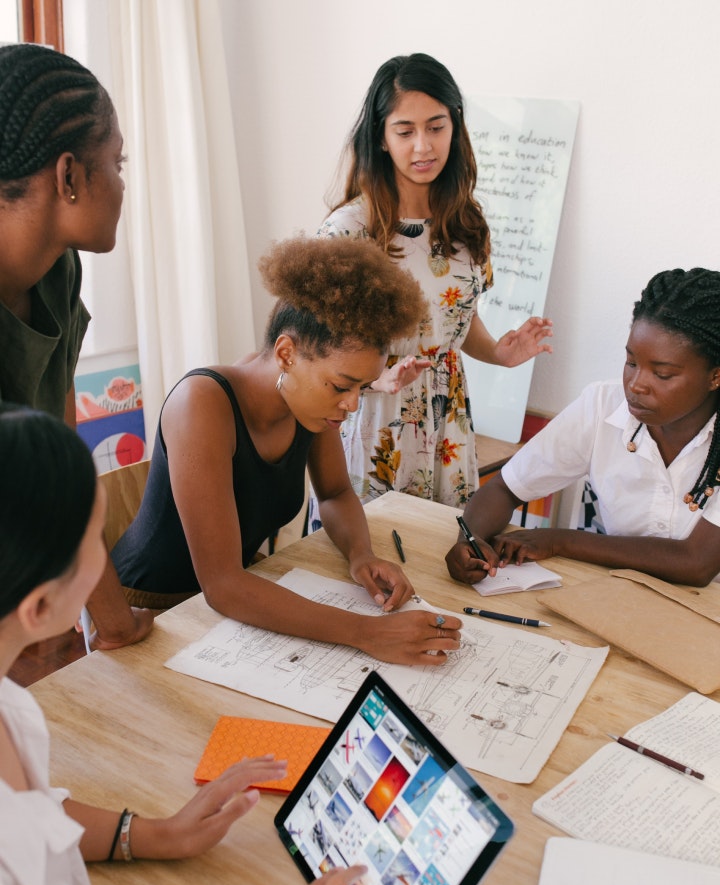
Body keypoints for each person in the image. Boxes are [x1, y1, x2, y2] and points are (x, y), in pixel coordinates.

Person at [0, 404, 368, 885]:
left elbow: (30, 819)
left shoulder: (12, 703)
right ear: (41, 606)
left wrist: (153, 834)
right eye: (94, 539)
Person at [110, 236, 462, 665]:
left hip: (238, 590)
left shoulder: (310, 404)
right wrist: (366, 632)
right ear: (286, 353)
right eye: (341, 385)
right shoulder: (201, 404)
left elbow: (334, 493)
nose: (352, 405)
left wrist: (361, 555)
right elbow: (222, 585)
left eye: (362, 388)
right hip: (152, 608)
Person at [309, 52, 552, 519]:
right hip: (373, 416)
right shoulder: (347, 232)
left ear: (455, 128)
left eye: (436, 127)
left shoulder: (465, 223)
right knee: (368, 564)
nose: (423, 146)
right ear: (381, 138)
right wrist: (377, 377)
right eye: (405, 131)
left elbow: (455, 320)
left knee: (440, 561)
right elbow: (311, 348)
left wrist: (500, 353)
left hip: (448, 418)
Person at [0, 42, 152, 650]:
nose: (121, 184)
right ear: (68, 176)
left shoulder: (60, 271)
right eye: (117, 164)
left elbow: (64, 459)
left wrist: (110, 621)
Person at [445, 268, 720, 588]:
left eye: (662, 374)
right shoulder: (603, 406)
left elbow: (697, 563)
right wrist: (471, 540)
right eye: (631, 362)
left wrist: (558, 541)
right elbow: (504, 489)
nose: (636, 384)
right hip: (620, 595)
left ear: (715, 375)